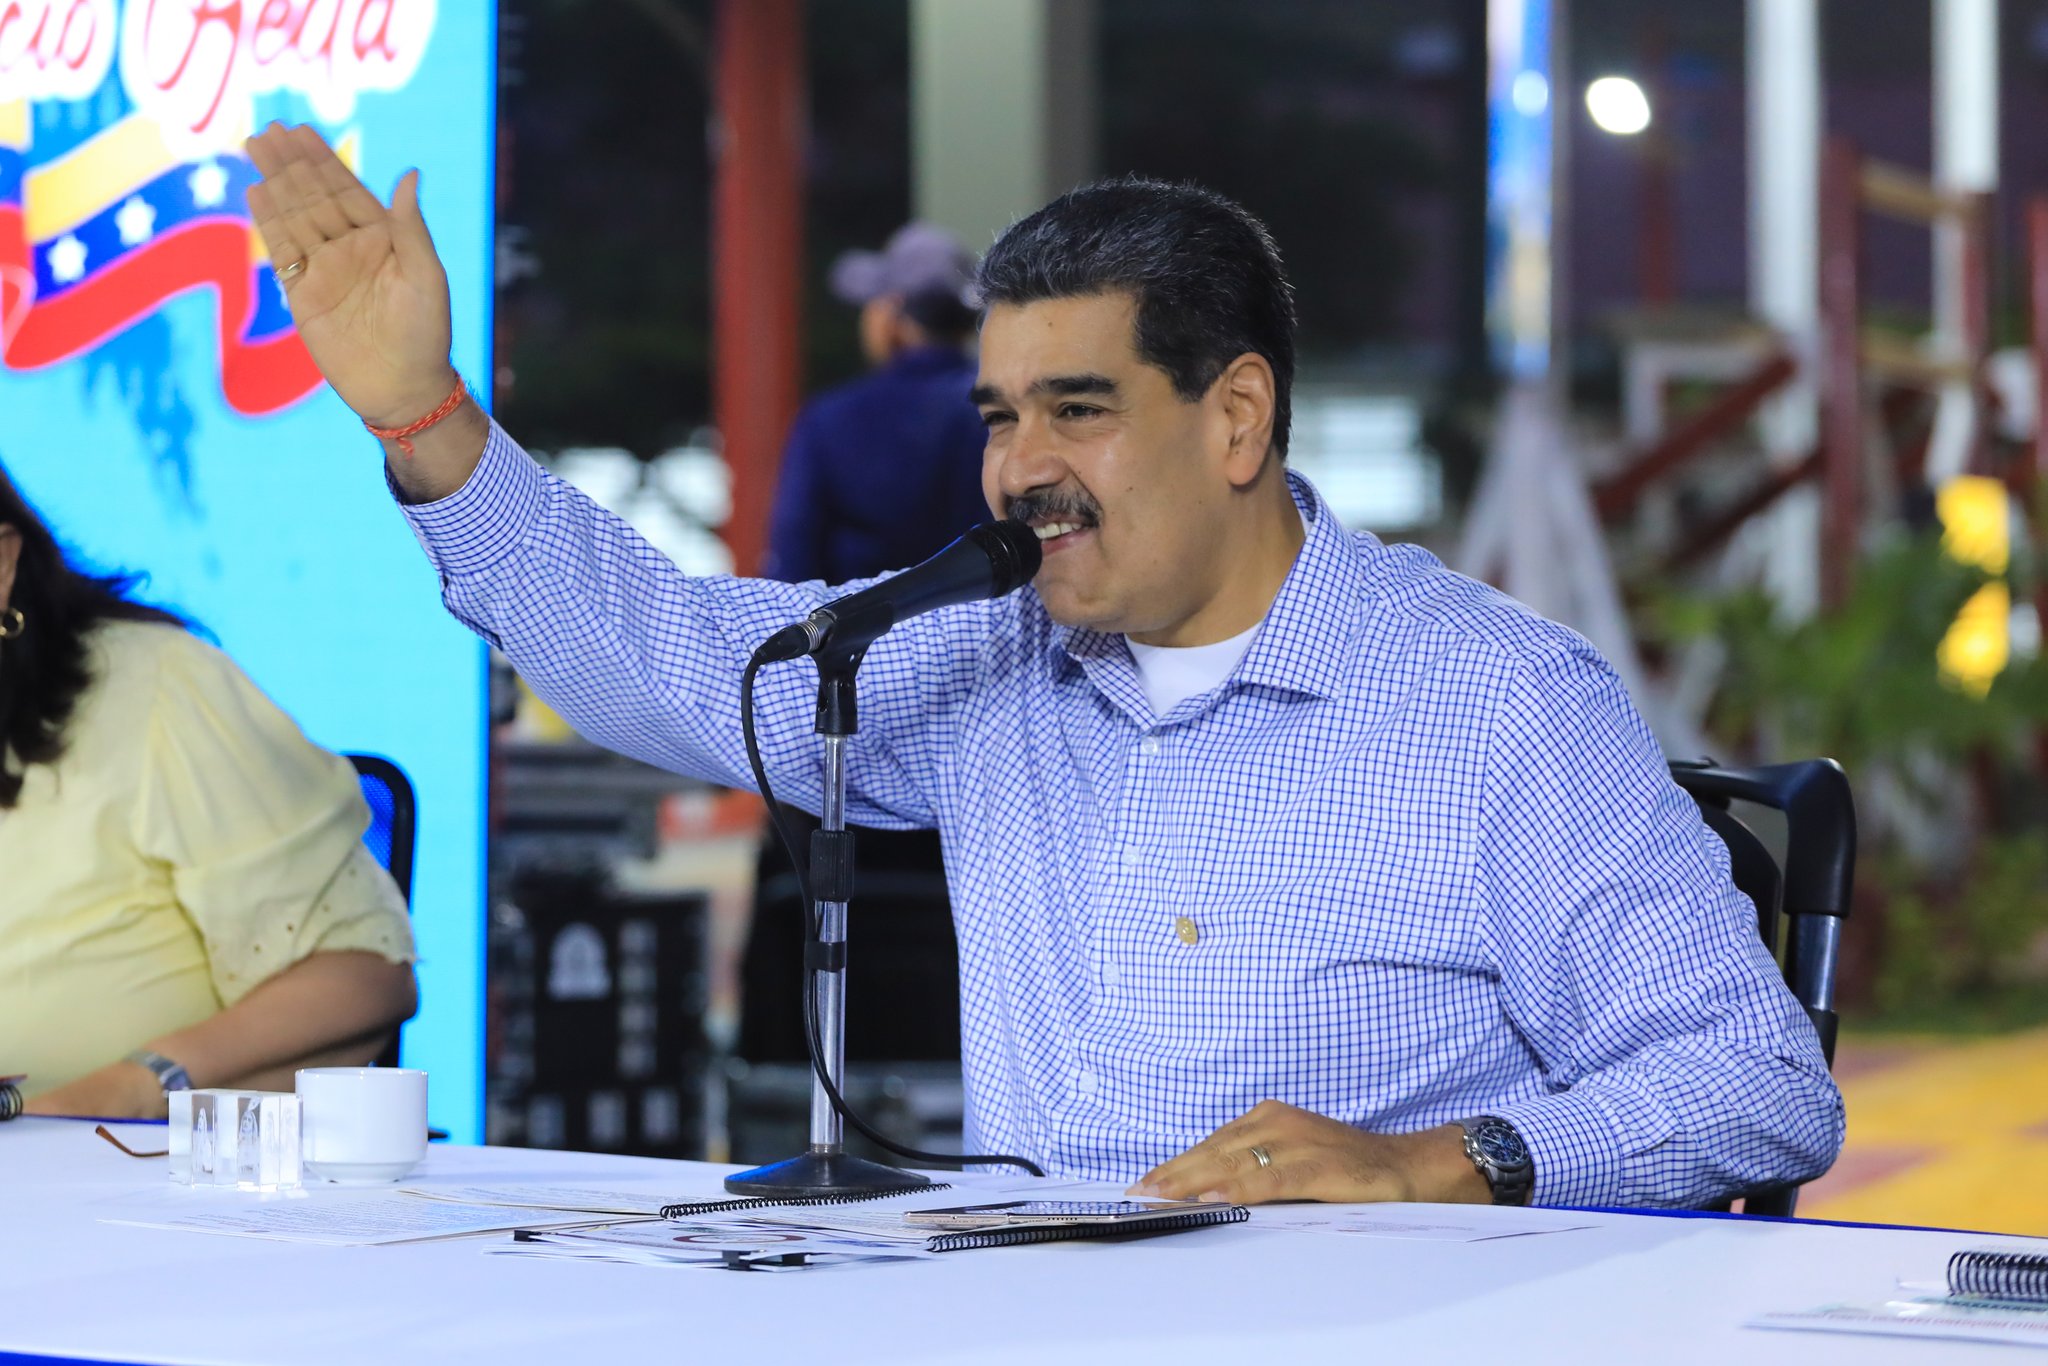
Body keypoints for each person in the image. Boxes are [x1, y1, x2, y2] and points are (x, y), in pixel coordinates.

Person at [244, 123, 1843, 1208]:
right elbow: (670, 655)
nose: (1020, 468)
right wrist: (424, 417)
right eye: (1000, 417)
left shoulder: (1499, 704)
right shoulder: (984, 657)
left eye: (1079, 410)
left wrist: (1429, 1163)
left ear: (1235, 418)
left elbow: (1757, 1079)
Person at [0, 463, 418, 1119]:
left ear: (3, 565)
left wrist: (133, 1090)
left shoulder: (154, 688)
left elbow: (363, 979)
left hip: (102, 1162)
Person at [763, 222, 992, 584]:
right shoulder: (1001, 409)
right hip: (986, 614)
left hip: (861, 617)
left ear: (892, 313)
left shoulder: (830, 418)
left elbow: (794, 557)